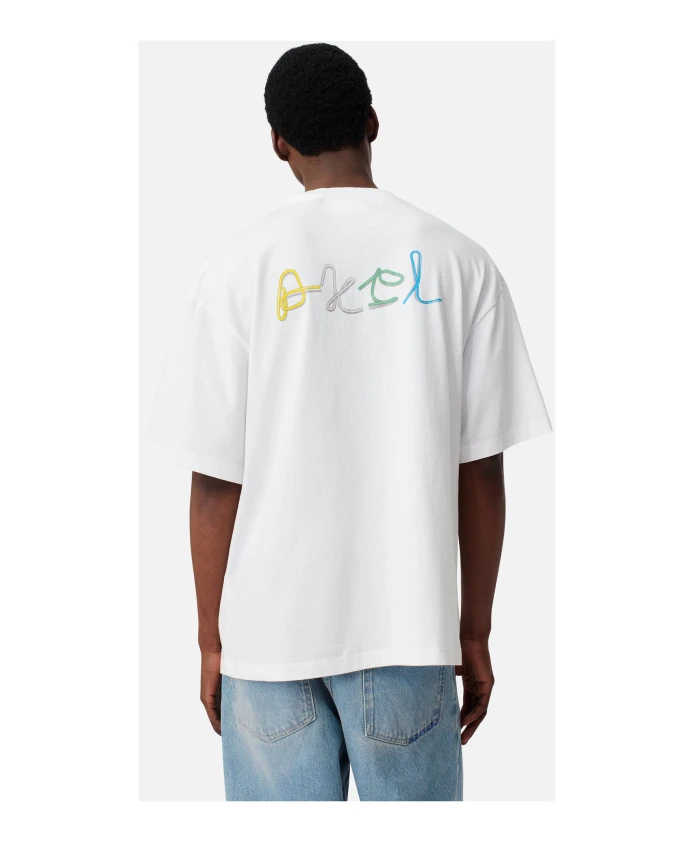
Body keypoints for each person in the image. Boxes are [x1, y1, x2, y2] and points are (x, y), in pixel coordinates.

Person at [144, 43, 552, 801]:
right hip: (408, 632)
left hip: (268, 641)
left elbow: (214, 482)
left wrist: (210, 640)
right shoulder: (460, 262)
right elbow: (481, 472)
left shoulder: (235, 267)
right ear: (372, 122)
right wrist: (472, 631)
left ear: (278, 144)